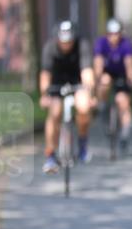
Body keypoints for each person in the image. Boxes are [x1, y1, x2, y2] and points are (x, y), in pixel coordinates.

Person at [39, 21, 94, 173]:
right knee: (55, 112)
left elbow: (87, 72)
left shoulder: (82, 45)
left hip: (77, 82)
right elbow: (45, 74)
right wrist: (44, 95)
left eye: (69, 42)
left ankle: (82, 145)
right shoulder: (49, 48)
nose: (66, 45)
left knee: (83, 108)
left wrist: (89, 92)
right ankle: (50, 155)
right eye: (63, 42)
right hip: (56, 84)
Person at [93, 18, 132, 154]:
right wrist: (97, 81)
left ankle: (125, 132)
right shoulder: (101, 43)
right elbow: (98, 64)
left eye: (116, 33)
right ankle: (103, 106)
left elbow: (129, 64)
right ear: (107, 34)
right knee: (104, 81)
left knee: (122, 101)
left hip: (121, 75)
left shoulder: (126, 44)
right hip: (107, 73)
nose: (114, 37)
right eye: (111, 34)